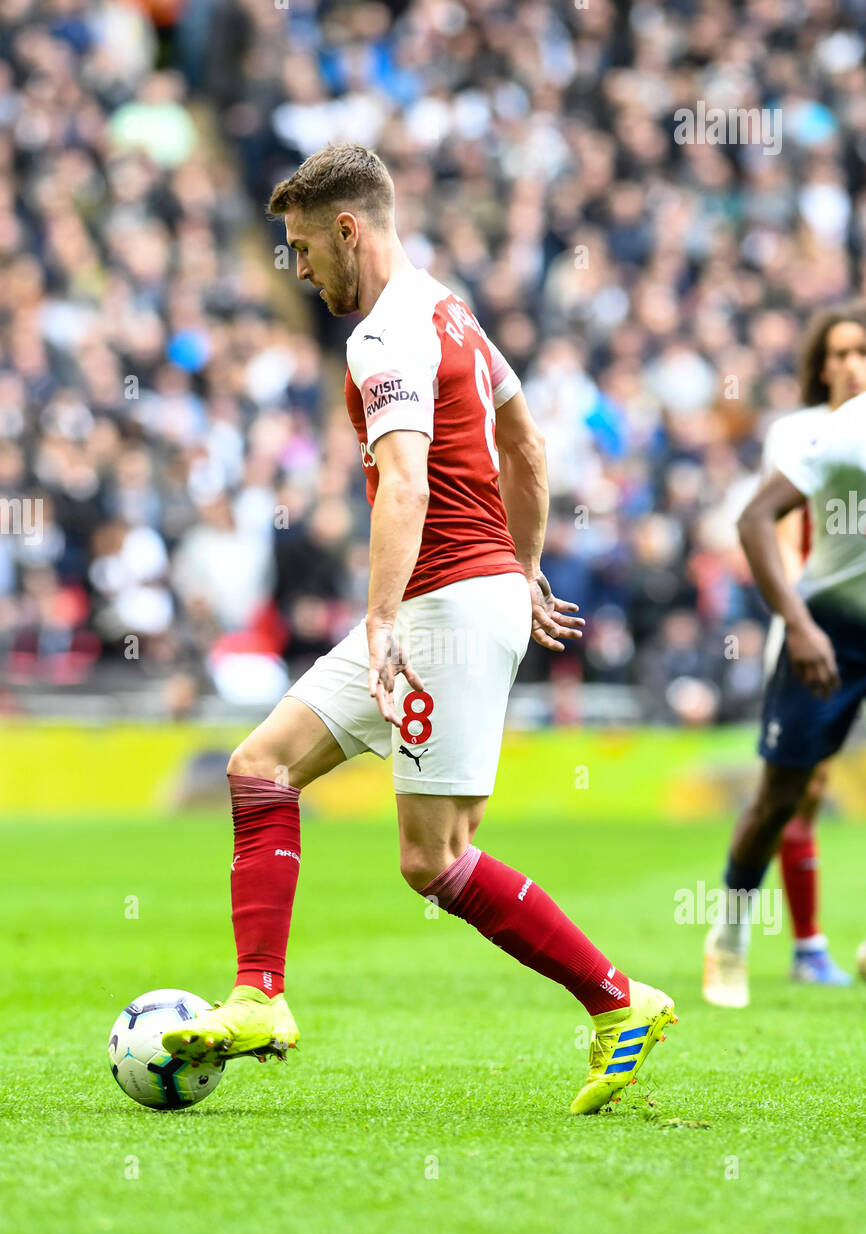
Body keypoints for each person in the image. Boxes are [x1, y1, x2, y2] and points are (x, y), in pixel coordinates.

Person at [162, 144, 677, 1114]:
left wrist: (387, 613)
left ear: (348, 228)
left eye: (305, 248)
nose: (300, 269)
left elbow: (404, 482)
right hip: (460, 594)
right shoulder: (451, 310)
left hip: (435, 607)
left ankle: (619, 1000)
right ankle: (257, 996)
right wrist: (519, 565)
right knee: (259, 765)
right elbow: (522, 443)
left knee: (429, 857)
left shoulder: (383, 335)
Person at [703, 308, 866, 1008]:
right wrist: (798, 626)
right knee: (781, 798)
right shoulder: (834, 437)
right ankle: (730, 939)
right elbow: (751, 519)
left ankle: (818, 947)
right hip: (826, 627)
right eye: (842, 352)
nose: (853, 364)